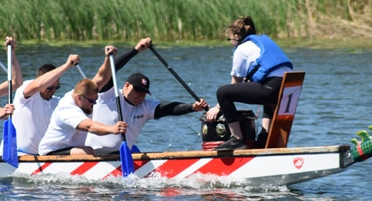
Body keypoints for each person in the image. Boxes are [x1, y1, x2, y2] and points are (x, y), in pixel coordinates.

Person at [85, 37, 209, 153]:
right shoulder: (108, 95)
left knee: (136, 150)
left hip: (122, 154)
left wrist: (192, 107)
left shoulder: (145, 106)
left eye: (143, 94)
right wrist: (136, 50)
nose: (140, 96)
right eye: (137, 91)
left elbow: (168, 109)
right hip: (96, 152)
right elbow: (110, 71)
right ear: (126, 85)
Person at [205, 16, 293, 150]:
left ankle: (237, 139)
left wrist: (217, 108)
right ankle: (264, 137)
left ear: (235, 35)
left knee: (223, 92)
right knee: (266, 93)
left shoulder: (241, 49)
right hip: (289, 86)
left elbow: (235, 83)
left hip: (272, 88)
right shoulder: (259, 43)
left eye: (230, 37)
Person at [37, 46, 128, 156]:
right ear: (79, 98)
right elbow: (89, 126)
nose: (94, 103)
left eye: (96, 100)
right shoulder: (68, 109)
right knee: (88, 151)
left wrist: (108, 58)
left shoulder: (85, 93)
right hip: (50, 152)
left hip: (71, 148)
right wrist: (112, 129)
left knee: (112, 150)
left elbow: (102, 77)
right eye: (91, 101)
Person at [4, 53, 80, 155]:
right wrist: (67, 66)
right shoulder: (26, 95)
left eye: (56, 87)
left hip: (43, 155)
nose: (53, 91)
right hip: (20, 154)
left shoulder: (57, 103)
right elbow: (39, 84)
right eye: (49, 87)